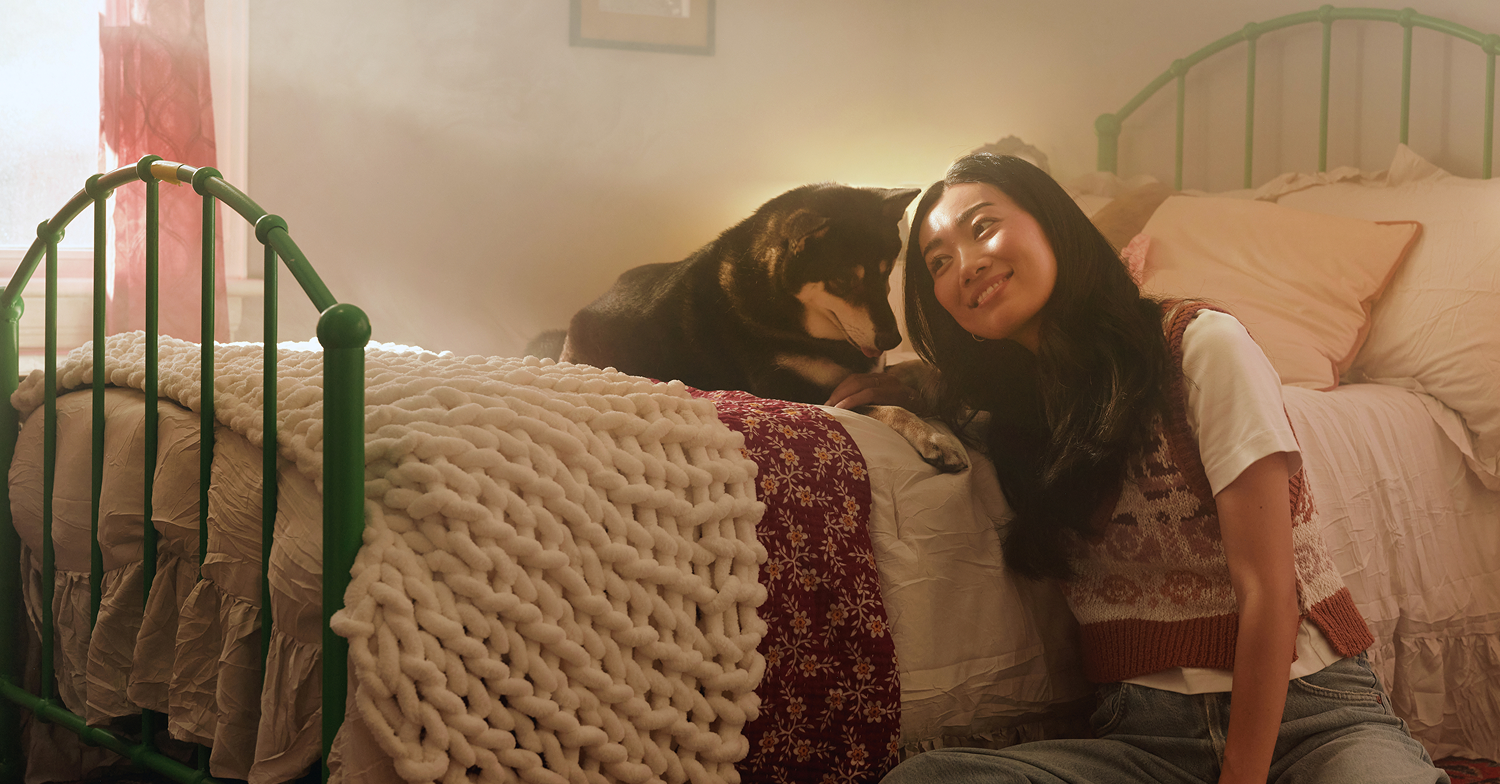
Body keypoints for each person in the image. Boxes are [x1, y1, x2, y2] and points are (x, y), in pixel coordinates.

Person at [867, 154, 1448, 784]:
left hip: (1312, 718)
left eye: (982, 228)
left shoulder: (1199, 345)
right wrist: (893, 386)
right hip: (1145, 737)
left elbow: (1268, 592)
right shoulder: (1016, 416)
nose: (966, 264)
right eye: (938, 262)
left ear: (1054, 226)